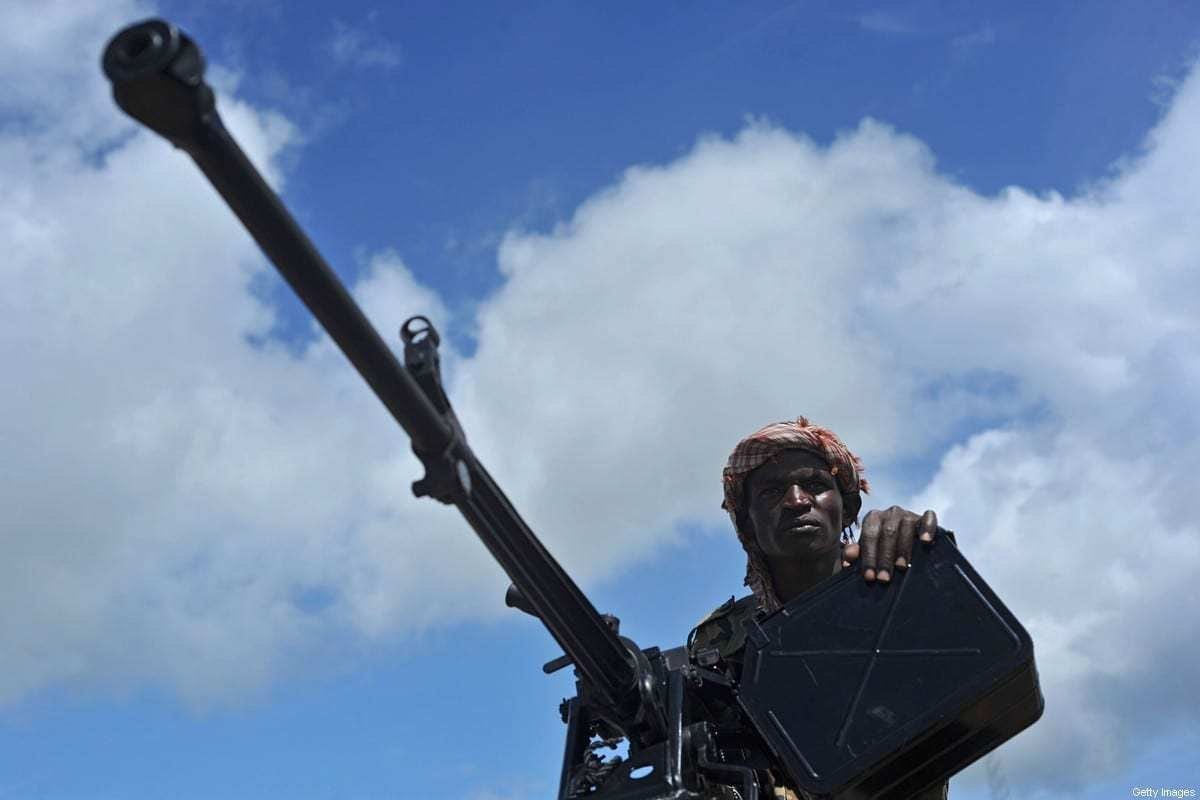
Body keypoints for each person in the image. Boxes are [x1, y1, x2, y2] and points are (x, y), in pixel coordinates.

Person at [688, 417, 951, 800]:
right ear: (747, 523)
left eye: (814, 485)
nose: (796, 500)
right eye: (772, 492)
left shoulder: (894, 596)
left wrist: (927, 560)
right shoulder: (722, 639)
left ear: (847, 510)